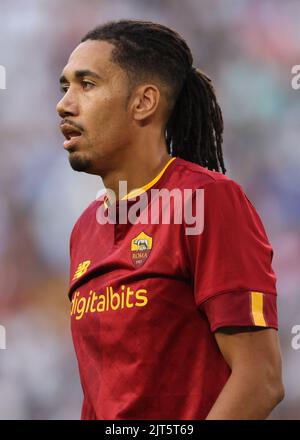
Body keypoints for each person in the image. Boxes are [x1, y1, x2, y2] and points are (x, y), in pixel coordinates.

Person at [56, 19, 284, 420]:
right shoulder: (84, 230)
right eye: (65, 87)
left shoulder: (207, 200)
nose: (64, 103)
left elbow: (260, 378)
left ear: (143, 102)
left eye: (86, 85)